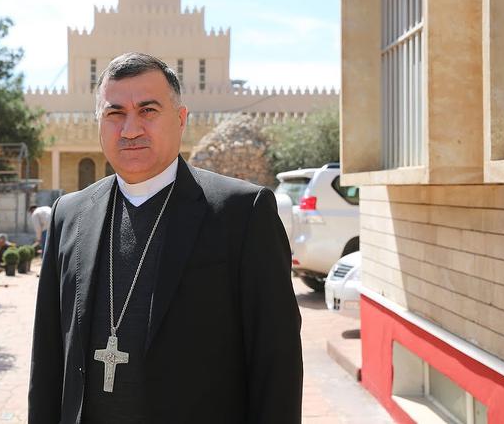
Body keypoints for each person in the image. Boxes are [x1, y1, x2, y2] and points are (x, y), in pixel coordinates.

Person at [29, 53, 302, 423]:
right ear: (99, 123)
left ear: (181, 119)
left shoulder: (242, 213)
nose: (130, 129)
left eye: (148, 110)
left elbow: (276, 362)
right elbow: (47, 357)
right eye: (115, 114)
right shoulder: (69, 214)